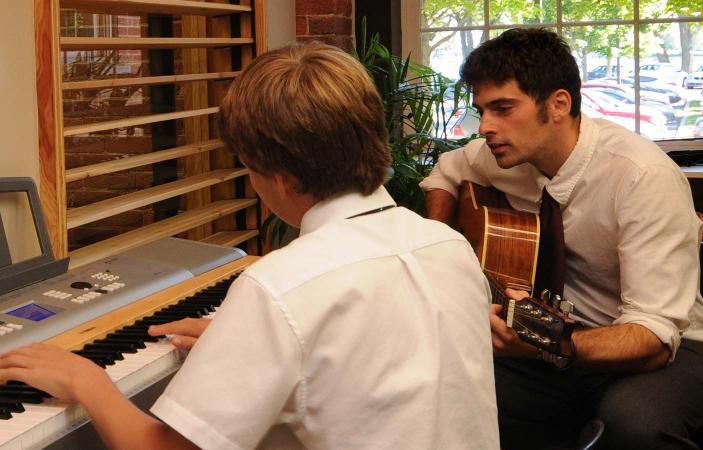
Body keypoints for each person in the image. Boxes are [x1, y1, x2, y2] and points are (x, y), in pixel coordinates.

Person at [0, 42, 500, 450]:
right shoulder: (448, 245)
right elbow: (380, 359)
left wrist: (87, 381)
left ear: (278, 178)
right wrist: (252, 346)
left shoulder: (281, 285)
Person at [420, 28, 703, 450]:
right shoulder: (505, 153)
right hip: (558, 339)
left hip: (663, 348)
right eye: (482, 110)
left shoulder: (641, 176)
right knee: (449, 394)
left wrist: (546, 345)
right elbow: (445, 171)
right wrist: (442, 247)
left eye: (503, 108)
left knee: (636, 426)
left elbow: (653, 337)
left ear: (559, 104)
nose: (486, 127)